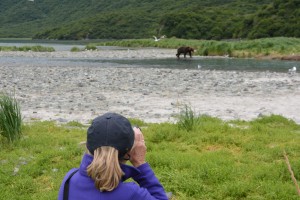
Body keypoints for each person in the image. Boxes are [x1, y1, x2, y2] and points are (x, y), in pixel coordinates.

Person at [58, 112, 169, 200]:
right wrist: (139, 162)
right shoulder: (130, 193)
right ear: (128, 152)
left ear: (88, 145)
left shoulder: (70, 179)